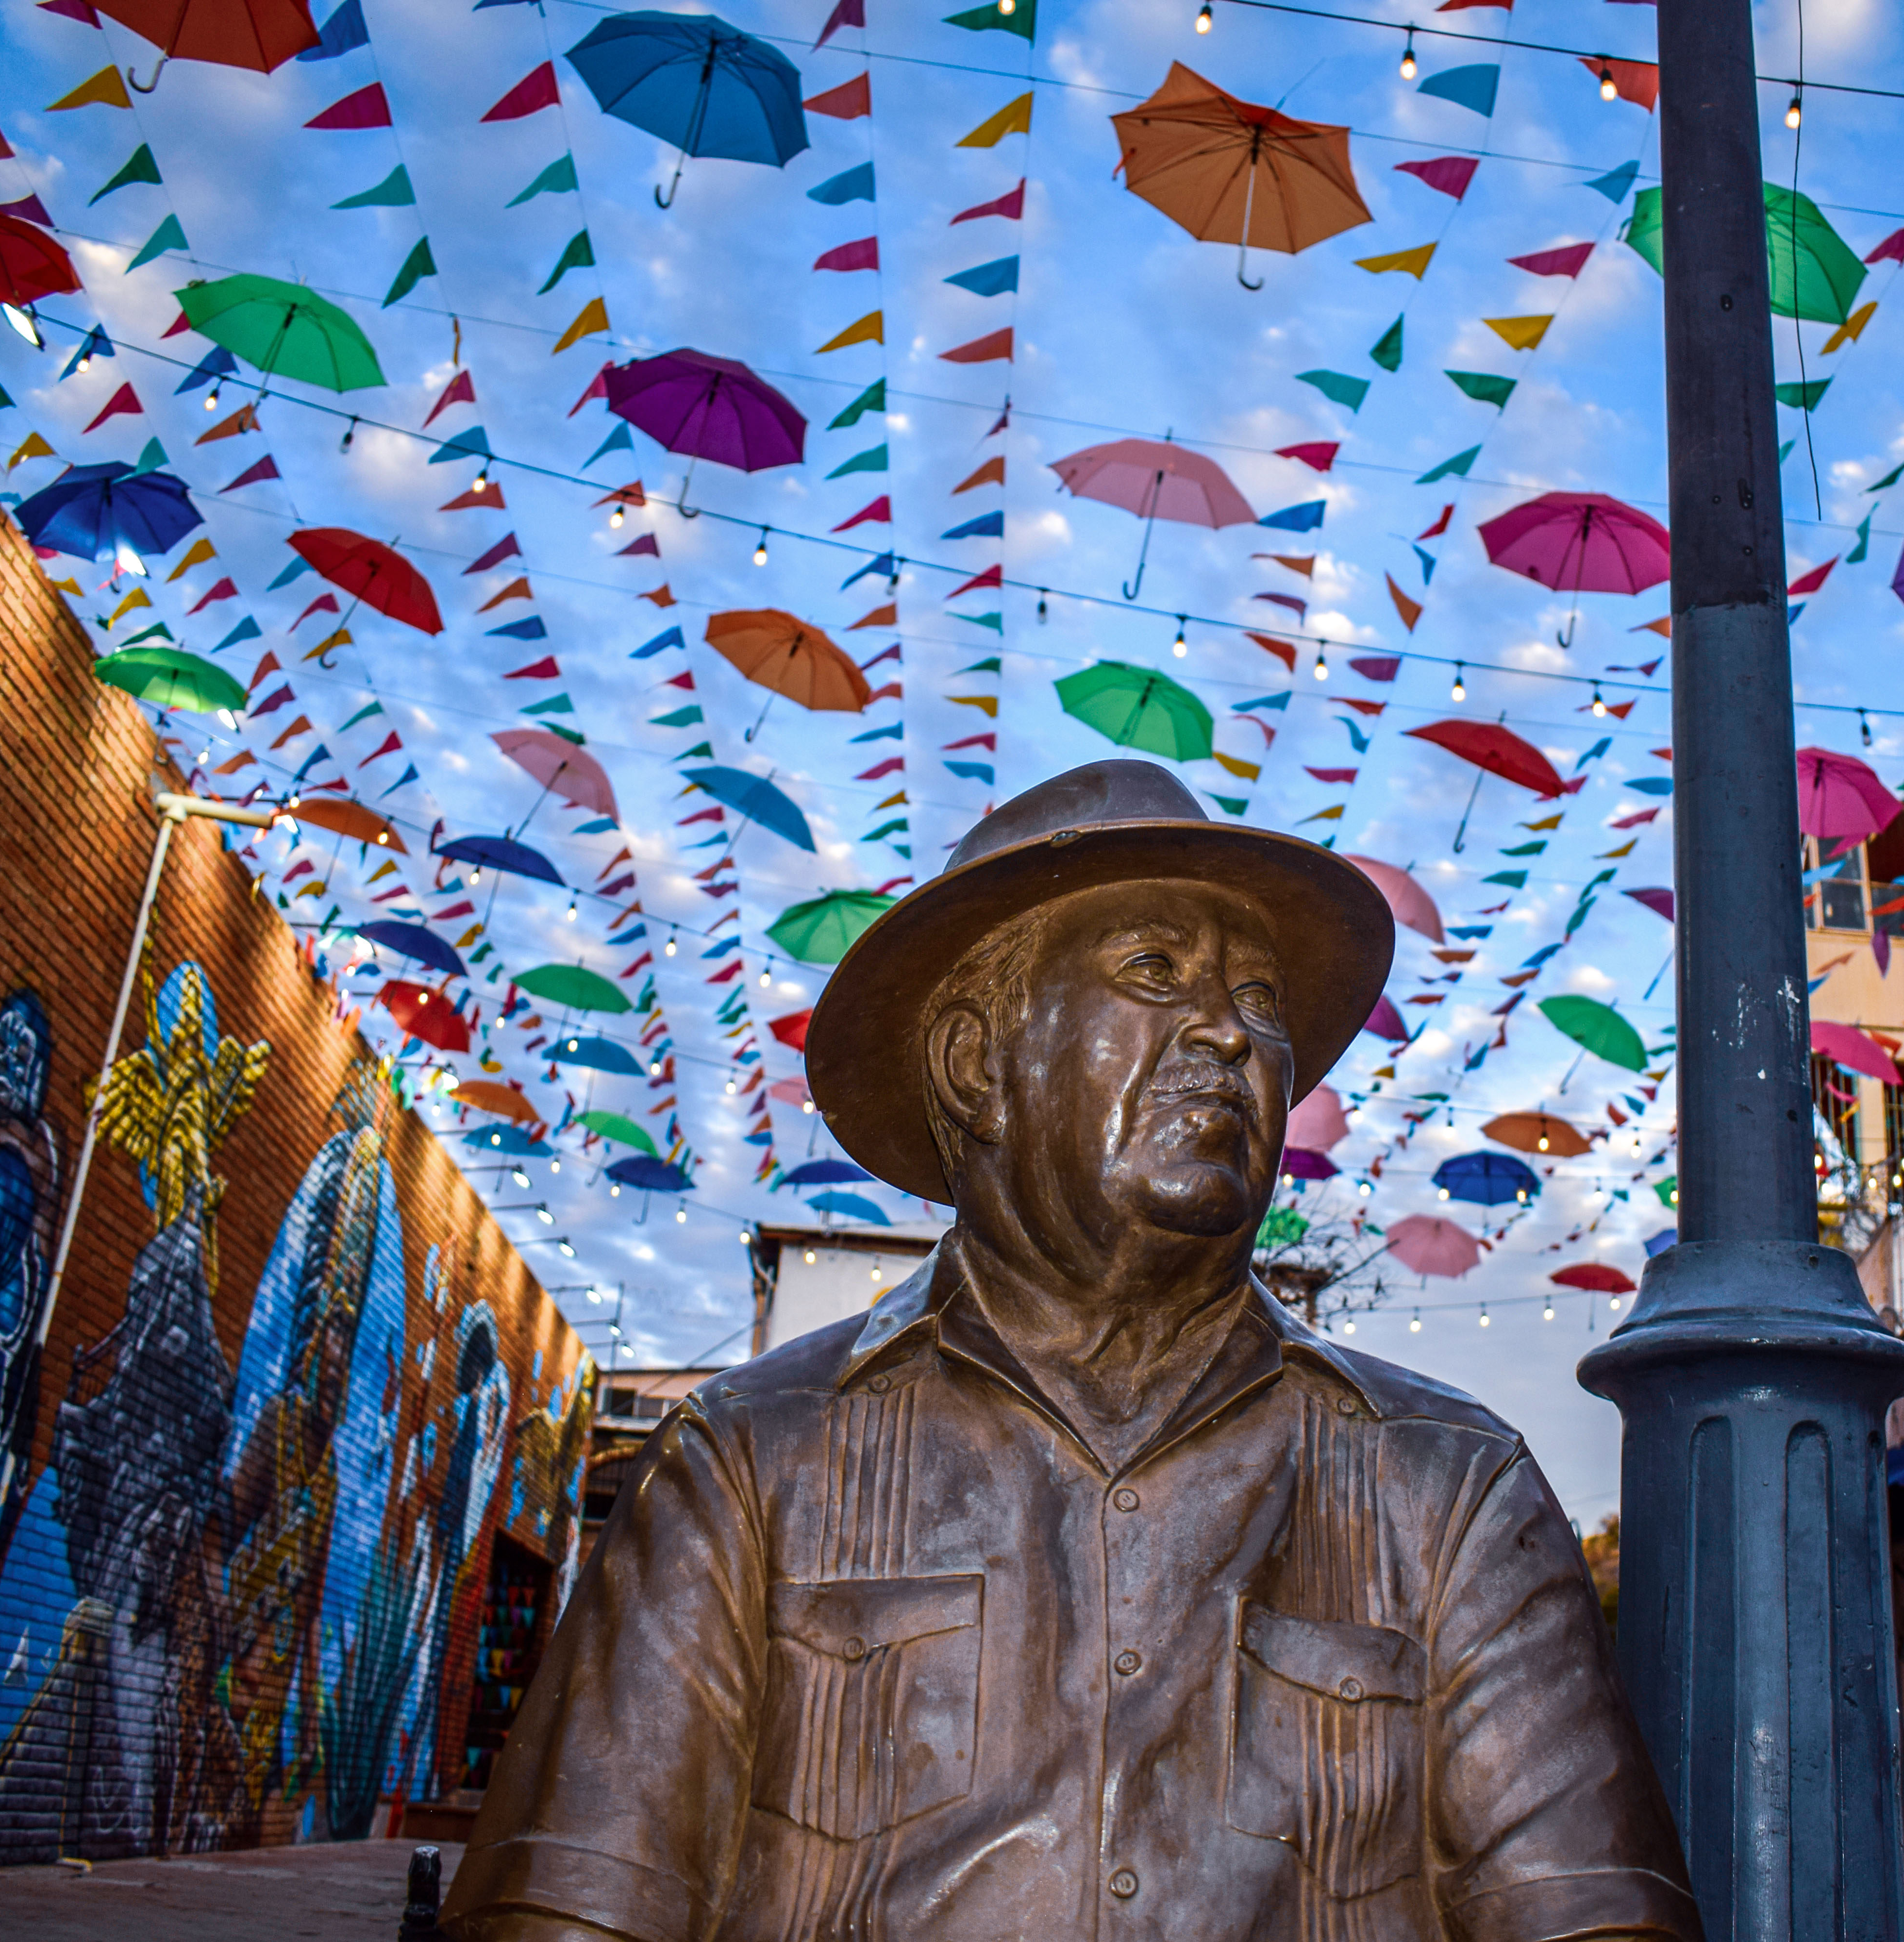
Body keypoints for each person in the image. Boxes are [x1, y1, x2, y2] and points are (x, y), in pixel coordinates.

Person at [443, 760, 1696, 1942]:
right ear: (977, 1062)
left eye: (1260, 1003)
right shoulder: (746, 1470)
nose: (1230, 1036)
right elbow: (569, 1910)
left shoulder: (1450, 1496)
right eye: (1155, 969)